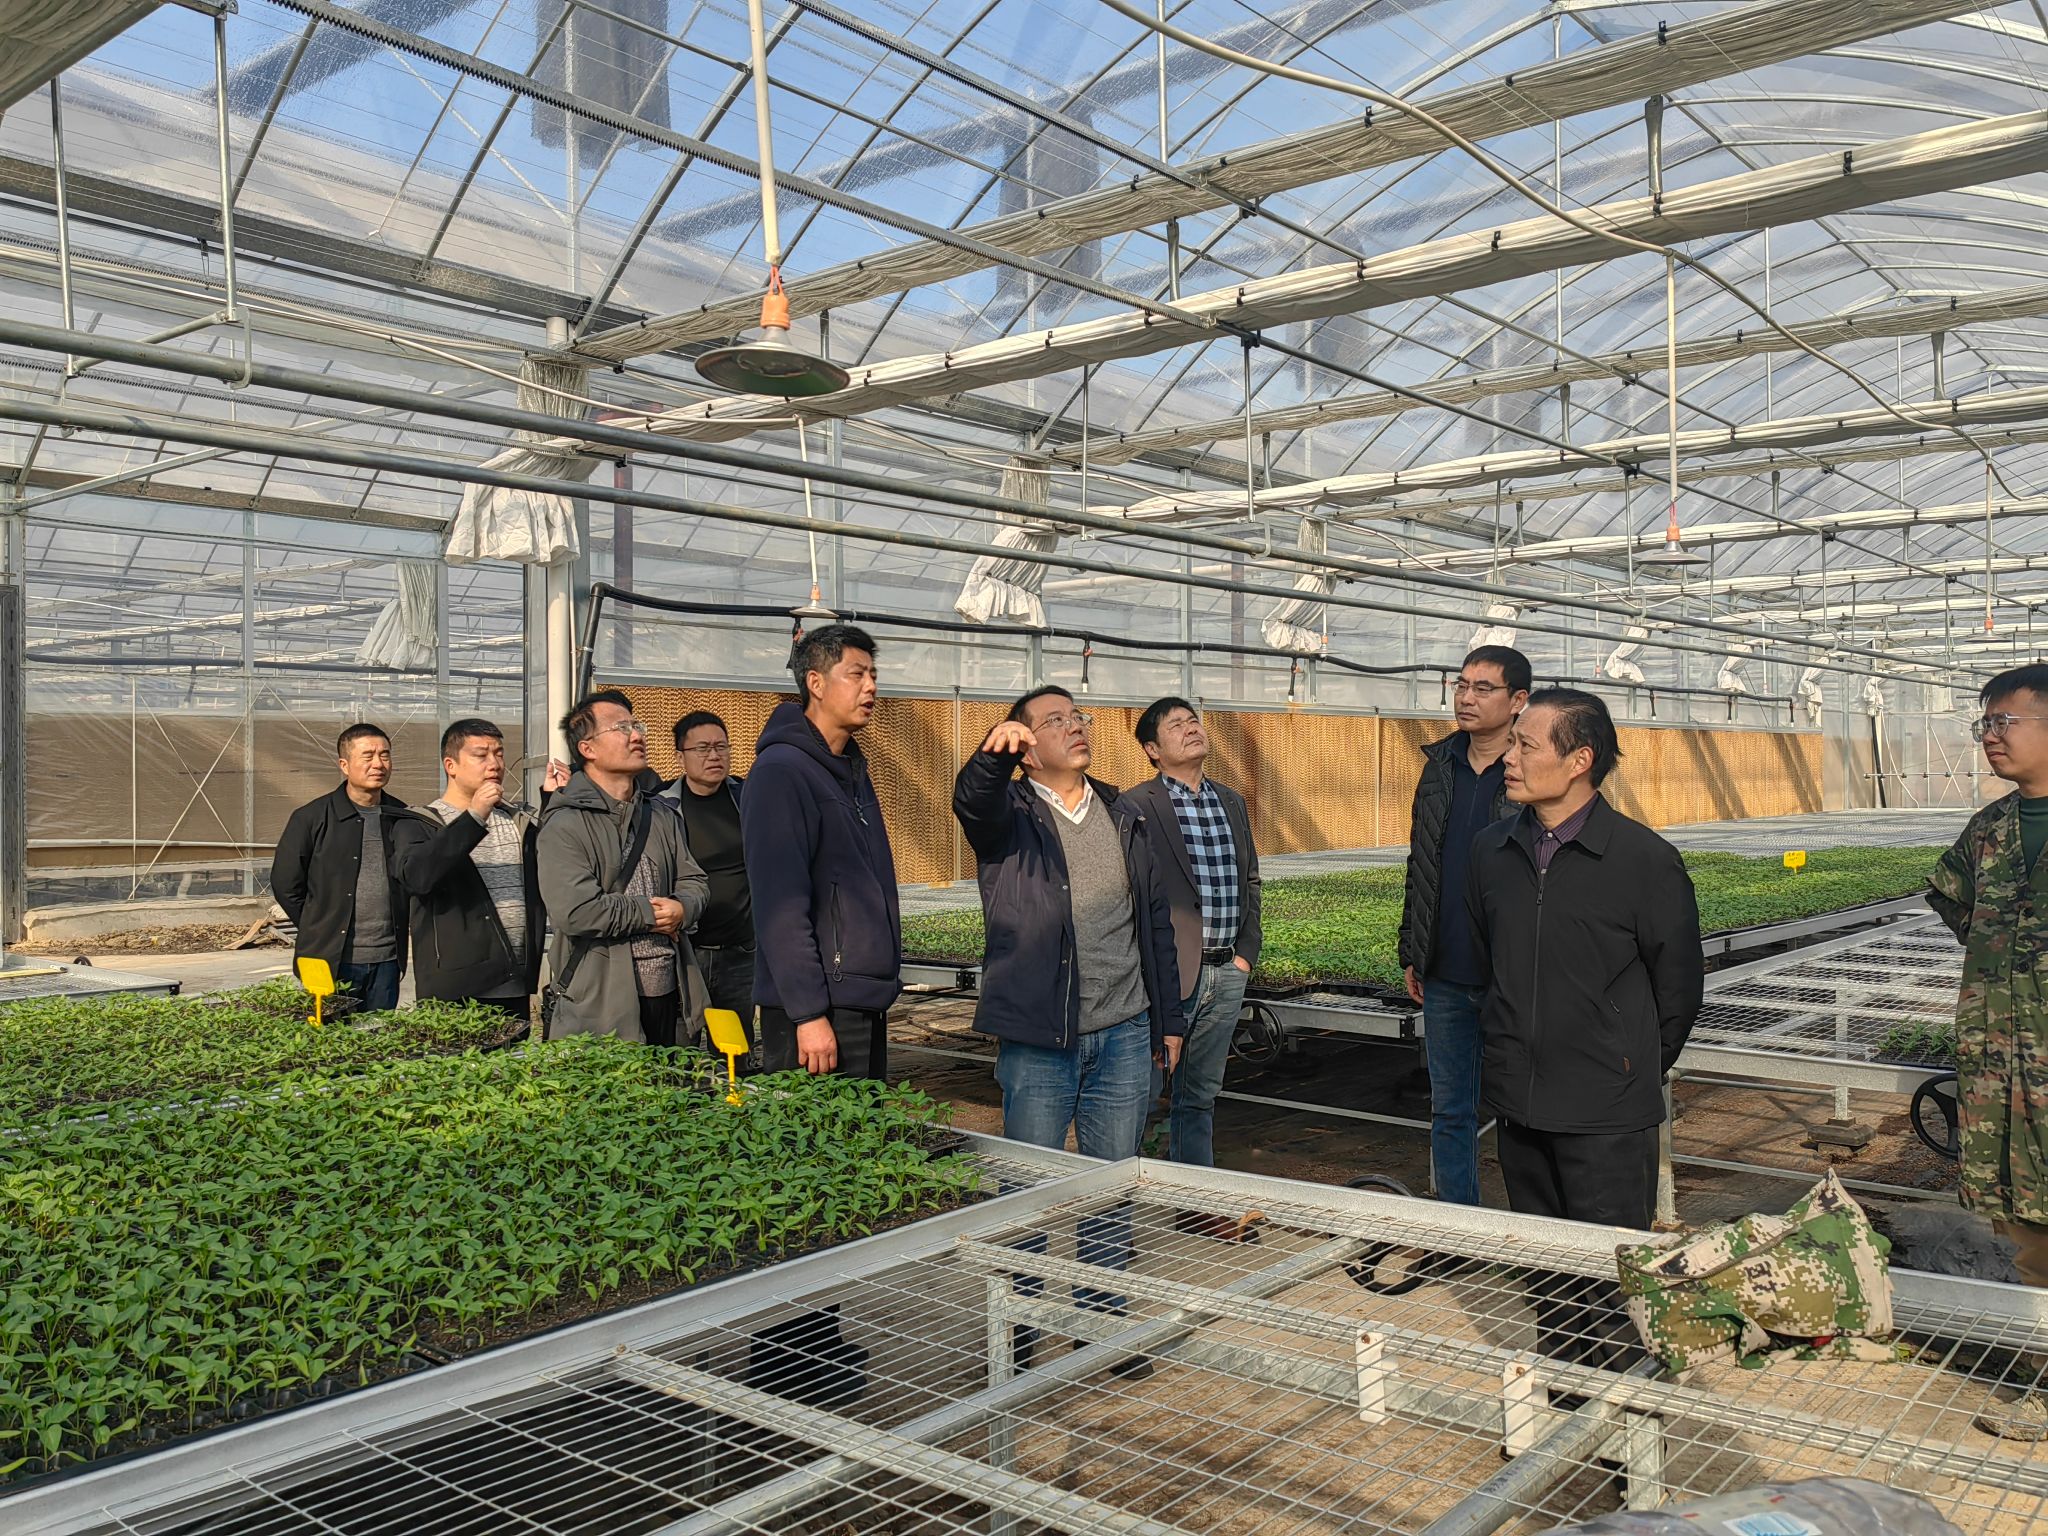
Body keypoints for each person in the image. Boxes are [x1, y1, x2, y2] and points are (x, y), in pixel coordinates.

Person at [953, 685, 1183, 1375]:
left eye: (1076, 716)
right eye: (1053, 721)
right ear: (1027, 749)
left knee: (1111, 1187)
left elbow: (1155, 922)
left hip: (1125, 1029)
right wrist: (991, 759)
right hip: (1040, 1036)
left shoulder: (1123, 813)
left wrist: (1168, 1019)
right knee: (1028, 1188)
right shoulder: (1011, 815)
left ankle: (1099, 1323)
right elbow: (972, 802)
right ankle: (1019, 1327)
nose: (1074, 727)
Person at [1467, 689, 1703, 1235]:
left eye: (1525, 746)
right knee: (1543, 1266)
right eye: (1511, 744)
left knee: (1608, 1267)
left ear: (1579, 761)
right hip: (1518, 1105)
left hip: (1607, 1116)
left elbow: (1679, 989)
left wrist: (1624, 1067)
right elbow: (1487, 963)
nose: (1508, 758)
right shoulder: (1491, 851)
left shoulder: (1645, 861)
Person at [1397, 645, 1531, 1206]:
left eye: (1483, 688)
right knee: (1450, 1109)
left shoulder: (1530, 770)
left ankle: (1531, 1227)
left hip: (1513, 973)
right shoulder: (1439, 767)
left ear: (1518, 700)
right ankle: (1460, 1224)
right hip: (1446, 971)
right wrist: (1412, 949)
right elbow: (1421, 862)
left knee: (1524, 1106)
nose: (1466, 697)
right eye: (1461, 685)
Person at [1928, 663, 2048, 1288]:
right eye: (1985, 724)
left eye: (2004, 721)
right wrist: (1999, 950)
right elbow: (1950, 894)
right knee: (2027, 1223)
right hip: (2003, 1060)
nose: (1990, 736)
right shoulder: (1989, 828)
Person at [742, 625, 901, 1078]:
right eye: (856, 674)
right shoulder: (781, 772)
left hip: (857, 997)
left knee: (864, 1123)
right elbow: (779, 906)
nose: (871, 686)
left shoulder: (849, 769)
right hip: (819, 1005)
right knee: (820, 1125)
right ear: (816, 682)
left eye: (873, 675)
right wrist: (808, 1014)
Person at [1123, 697, 1260, 1185]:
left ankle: (1193, 1199)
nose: (1191, 728)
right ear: (1153, 749)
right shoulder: (1136, 806)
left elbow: (1250, 879)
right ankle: (1125, 1193)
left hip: (1227, 972)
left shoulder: (1231, 801)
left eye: (1193, 720)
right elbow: (1131, 893)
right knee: (1139, 1094)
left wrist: (1245, 955)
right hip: (1167, 975)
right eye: (1176, 725)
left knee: (1199, 1095)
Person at [537, 690, 709, 1044]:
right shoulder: (565, 823)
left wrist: (683, 908)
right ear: (587, 748)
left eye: (637, 726)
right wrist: (651, 913)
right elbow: (577, 912)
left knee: (669, 1078)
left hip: (670, 994)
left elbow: (694, 881)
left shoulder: (661, 814)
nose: (637, 736)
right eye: (622, 728)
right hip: (602, 1001)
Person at [390, 720, 569, 1025]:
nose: (494, 764)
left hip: (514, 981)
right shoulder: (418, 822)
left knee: (513, 1055)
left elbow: (556, 862)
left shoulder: (518, 821)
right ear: (451, 765)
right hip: (455, 989)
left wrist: (554, 800)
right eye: (481, 755)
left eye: (499, 754)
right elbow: (417, 876)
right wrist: (474, 816)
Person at [270, 723, 407, 1012]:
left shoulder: (401, 816)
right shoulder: (311, 818)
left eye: (385, 755)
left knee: (380, 1035)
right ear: (344, 765)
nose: (378, 764)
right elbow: (286, 884)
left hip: (387, 961)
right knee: (327, 1036)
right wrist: (319, 926)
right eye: (368, 756)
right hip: (327, 959)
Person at [660, 710, 755, 1037]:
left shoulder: (748, 798)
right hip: (685, 953)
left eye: (721, 747)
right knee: (680, 1049)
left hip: (740, 952)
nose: (714, 756)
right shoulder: (661, 807)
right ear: (680, 756)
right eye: (702, 748)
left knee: (733, 1050)